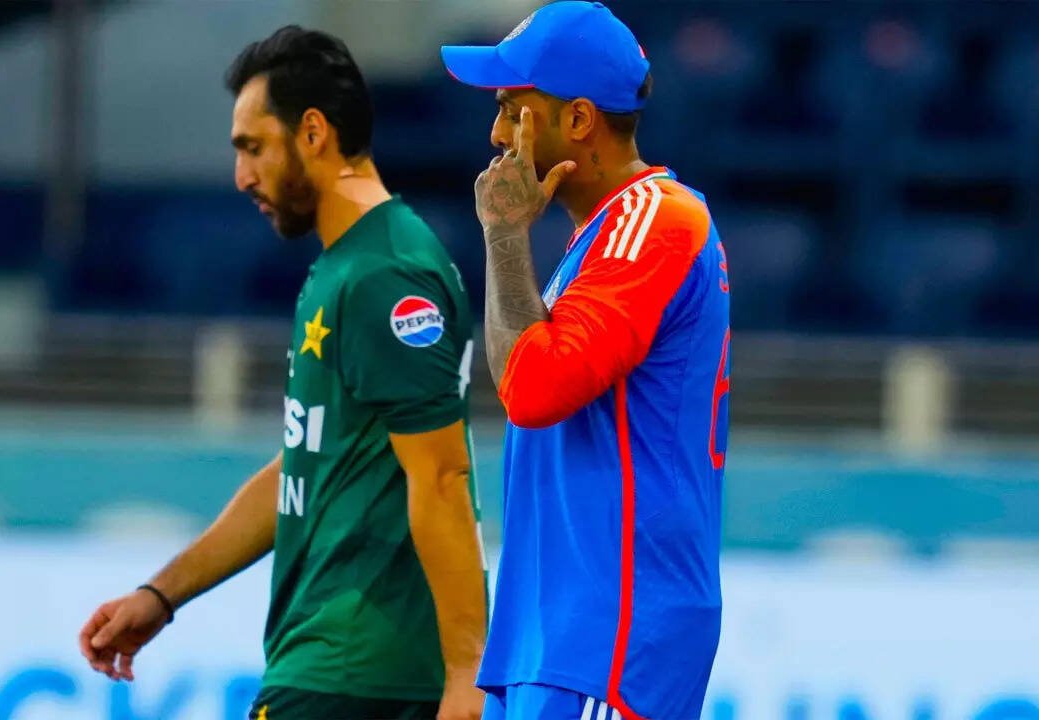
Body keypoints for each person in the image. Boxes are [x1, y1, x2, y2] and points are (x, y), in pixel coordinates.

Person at [79, 25, 488, 720]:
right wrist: (163, 594)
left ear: (314, 133)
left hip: (357, 672)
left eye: (253, 147)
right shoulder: (347, 266)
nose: (242, 177)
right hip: (338, 666)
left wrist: (467, 672)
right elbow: (307, 467)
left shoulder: (386, 276)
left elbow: (442, 477)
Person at [441, 2, 731, 719]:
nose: (496, 135)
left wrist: (504, 235)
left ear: (577, 120)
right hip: (560, 633)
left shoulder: (655, 219)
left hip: (613, 630)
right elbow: (524, 380)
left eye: (513, 111)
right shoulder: (602, 238)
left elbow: (533, 390)